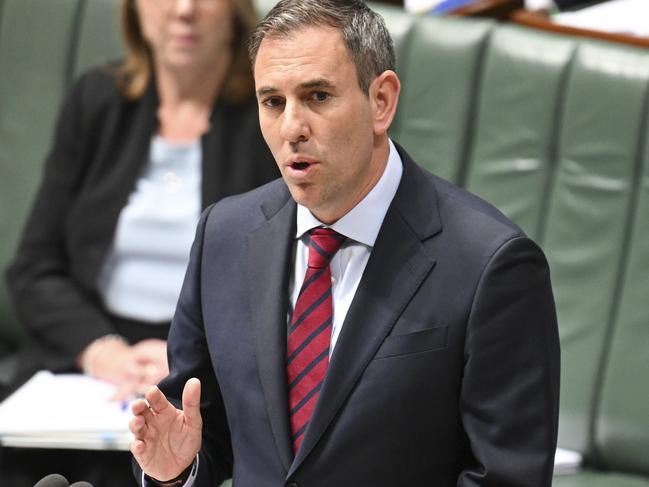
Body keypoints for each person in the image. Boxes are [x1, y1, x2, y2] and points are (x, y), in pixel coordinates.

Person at [130, 0, 561, 485]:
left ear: (381, 101)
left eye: (317, 96)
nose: (292, 127)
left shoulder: (491, 266)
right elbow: (203, 434)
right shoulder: (223, 237)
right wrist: (176, 472)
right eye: (273, 102)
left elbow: (506, 478)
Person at [3, 0, 277, 485]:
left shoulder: (270, 113)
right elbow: (34, 268)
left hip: (202, 371)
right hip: (87, 362)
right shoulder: (97, 100)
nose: (184, 10)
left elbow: (281, 278)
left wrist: (184, 354)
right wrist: (103, 352)